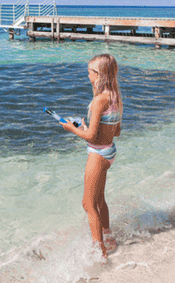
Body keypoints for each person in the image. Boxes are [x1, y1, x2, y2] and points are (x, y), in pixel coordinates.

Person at [61, 53, 123, 258]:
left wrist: (72, 128)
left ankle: (100, 252)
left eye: (89, 72)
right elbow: (117, 131)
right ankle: (108, 236)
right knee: (99, 200)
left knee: (88, 204)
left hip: (98, 154)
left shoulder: (99, 101)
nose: (87, 75)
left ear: (98, 75)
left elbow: (89, 136)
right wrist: (89, 128)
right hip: (109, 151)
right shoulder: (114, 96)